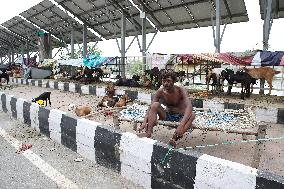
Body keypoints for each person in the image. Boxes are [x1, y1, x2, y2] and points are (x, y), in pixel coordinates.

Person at [138, 70, 195, 147]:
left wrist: (181, 125)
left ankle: (174, 139)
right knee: (155, 105)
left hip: (180, 118)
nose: (165, 83)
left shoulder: (180, 89)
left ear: (174, 81)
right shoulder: (161, 91)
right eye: (163, 81)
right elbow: (151, 106)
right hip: (167, 116)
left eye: (168, 81)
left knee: (192, 115)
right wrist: (145, 121)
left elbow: (189, 106)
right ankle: (148, 133)